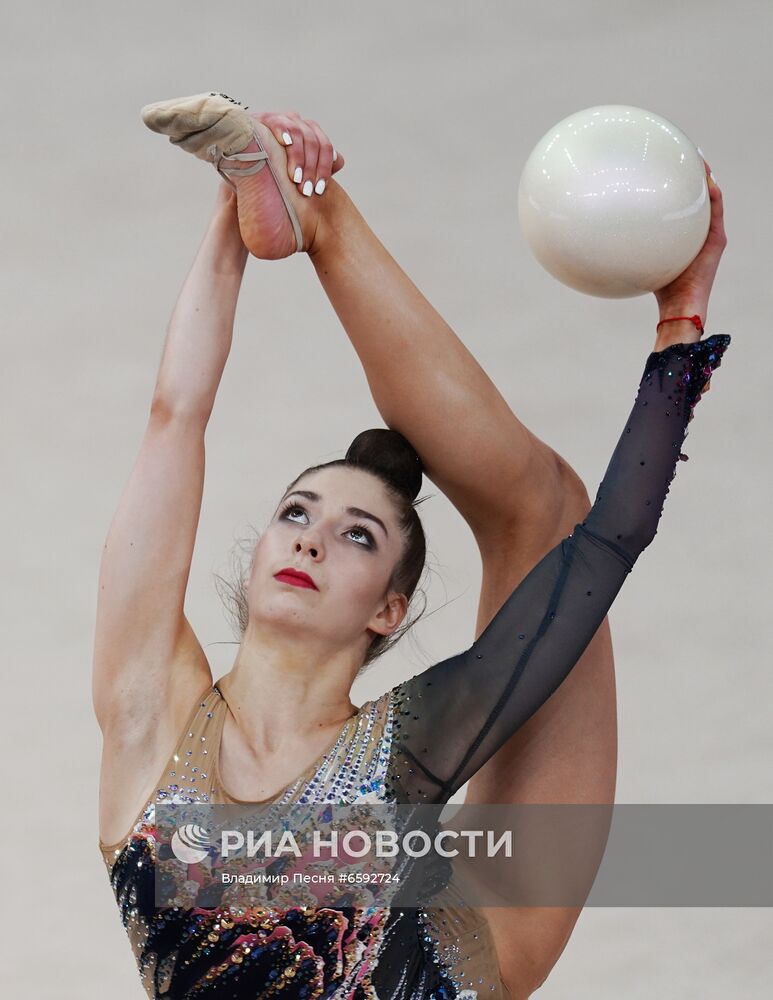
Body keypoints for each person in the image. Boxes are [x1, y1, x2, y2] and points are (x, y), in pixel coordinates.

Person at [93, 93, 730, 1000]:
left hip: (457, 924)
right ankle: (306, 208)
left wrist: (680, 320)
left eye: (355, 536)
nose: (310, 542)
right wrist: (237, 203)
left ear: (389, 608)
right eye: (297, 513)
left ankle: (321, 213)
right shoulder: (149, 713)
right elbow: (173, 417)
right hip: (484, 957)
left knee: (550, 514)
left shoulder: (409, 740)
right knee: (544, 509)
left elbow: (610, 544)